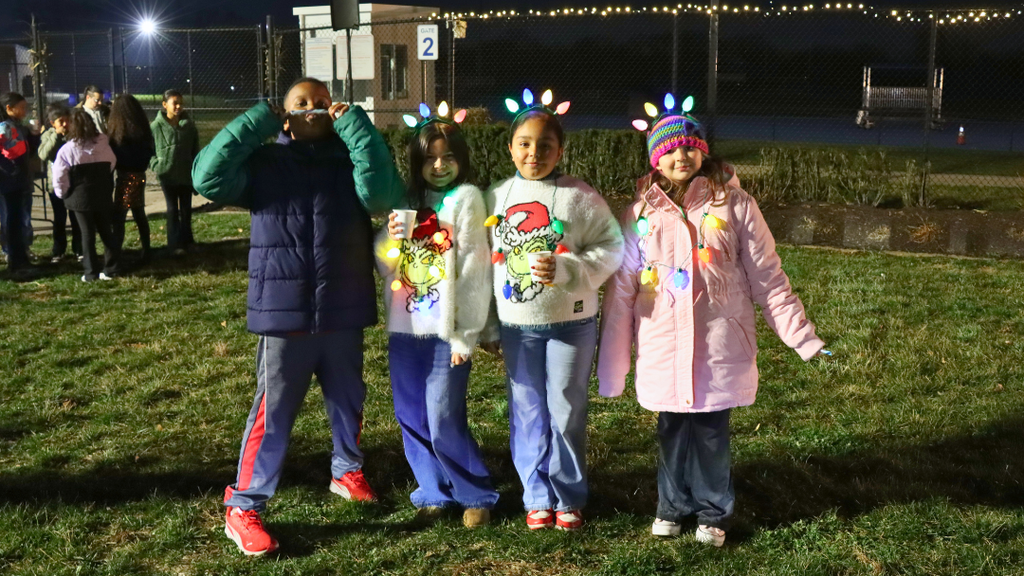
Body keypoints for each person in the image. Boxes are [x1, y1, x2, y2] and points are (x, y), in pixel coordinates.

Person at [597, 100, 829, 547]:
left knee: (710, 435)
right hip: (663, 346)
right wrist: (613, 367)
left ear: (703, 153)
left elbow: (768, 277)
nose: (679, 157)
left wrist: (803, 338)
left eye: (689, 148)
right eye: (668, 150)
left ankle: (712, 512)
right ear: (655, 158)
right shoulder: (640, 215)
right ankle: (671, 506)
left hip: (718, 346)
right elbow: (623, 291)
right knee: (671, 433)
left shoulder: (736, 206)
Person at [192, 78, 404, 556]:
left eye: (323, 103)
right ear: (284, 116)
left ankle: (347, 471)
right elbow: (207, 176)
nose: (313, 109)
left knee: (348, 397)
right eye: (300, 103)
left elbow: (381, 197)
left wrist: (358, 130)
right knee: (275, 411)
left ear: (336, 112)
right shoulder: (267, 163)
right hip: (283, 313)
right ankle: (244, 504)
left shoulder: (349, 161)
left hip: (343, 305)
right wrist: (258, 120)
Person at [483, 91, 623, 531]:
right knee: (526, 409)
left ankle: (568, 495)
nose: (534, 153)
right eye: (524, 143)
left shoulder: (579, 196)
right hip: (516, 326)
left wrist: (568, 268)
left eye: (545, 145)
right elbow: (479, 264)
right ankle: (535, 494)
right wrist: (487, 321)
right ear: (510, 148)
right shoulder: (497, 197)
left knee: (565, 409)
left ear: (560, 150)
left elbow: (613, 247)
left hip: (571, 324)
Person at [376, 106, 497, 528]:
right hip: (406, 327)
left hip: (446, 333)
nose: (439, 166)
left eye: (447, 157)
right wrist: (388, 240)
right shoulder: (407, 202)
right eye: (430, 158)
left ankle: (474, 492)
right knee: (411, 414)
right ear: (417, 162)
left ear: (461, 159)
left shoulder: (465, 199)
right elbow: (386, 261)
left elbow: (474, 271)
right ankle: (431, 489)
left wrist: (467, 334)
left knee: (443, 413)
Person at [52, 108, 119, 281]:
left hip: (80, 199)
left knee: (87, 234)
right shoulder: (104, 144)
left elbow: (60, 176)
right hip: (102, 195)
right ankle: (112, 268)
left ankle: (91, 272)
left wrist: (63, 194)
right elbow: (112, 163)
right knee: (106, 231)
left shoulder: (67, 150)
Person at [150, 89, 200, 255]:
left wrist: (195, 169)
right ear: (165, 105)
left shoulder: (189, 126)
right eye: (174, 103)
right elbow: (149, 151)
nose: (179, 106)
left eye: (181, 103)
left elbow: (195, 149)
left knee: (186, 209)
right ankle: (174, 244)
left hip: (186, 175)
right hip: (168, 176)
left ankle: (187, 241)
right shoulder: (156, 127)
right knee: (172, 210)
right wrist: (158, 165)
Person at [107, 94, 155, 264]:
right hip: (139, 175)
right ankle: (146, 250)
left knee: (119, 216)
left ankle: (116, 253)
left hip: (126, 177)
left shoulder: (120, 133)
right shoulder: (142, 129)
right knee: (138, 212)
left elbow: (115, 155)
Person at [38, 103, 83, 262]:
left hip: (74, 183)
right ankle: (58, 250)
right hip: (56, 185)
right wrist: (56, 136)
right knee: (59, 218)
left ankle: (79, 248)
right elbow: (43, 154)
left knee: (77, 217)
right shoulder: (48, 135)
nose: (65, 124)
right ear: (52, 123)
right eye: (60, 121)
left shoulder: (74, 134)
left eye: (67, 121)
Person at [0, 92, 38, 274]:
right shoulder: (5, 128)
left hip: (16, 181)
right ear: (9, 108)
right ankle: (16, 260)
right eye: (22, 108)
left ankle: (20, 257)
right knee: (12, 221)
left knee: (16, 220)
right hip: (10, 182)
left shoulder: (15, 126)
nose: (25, 111)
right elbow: (13, 153)